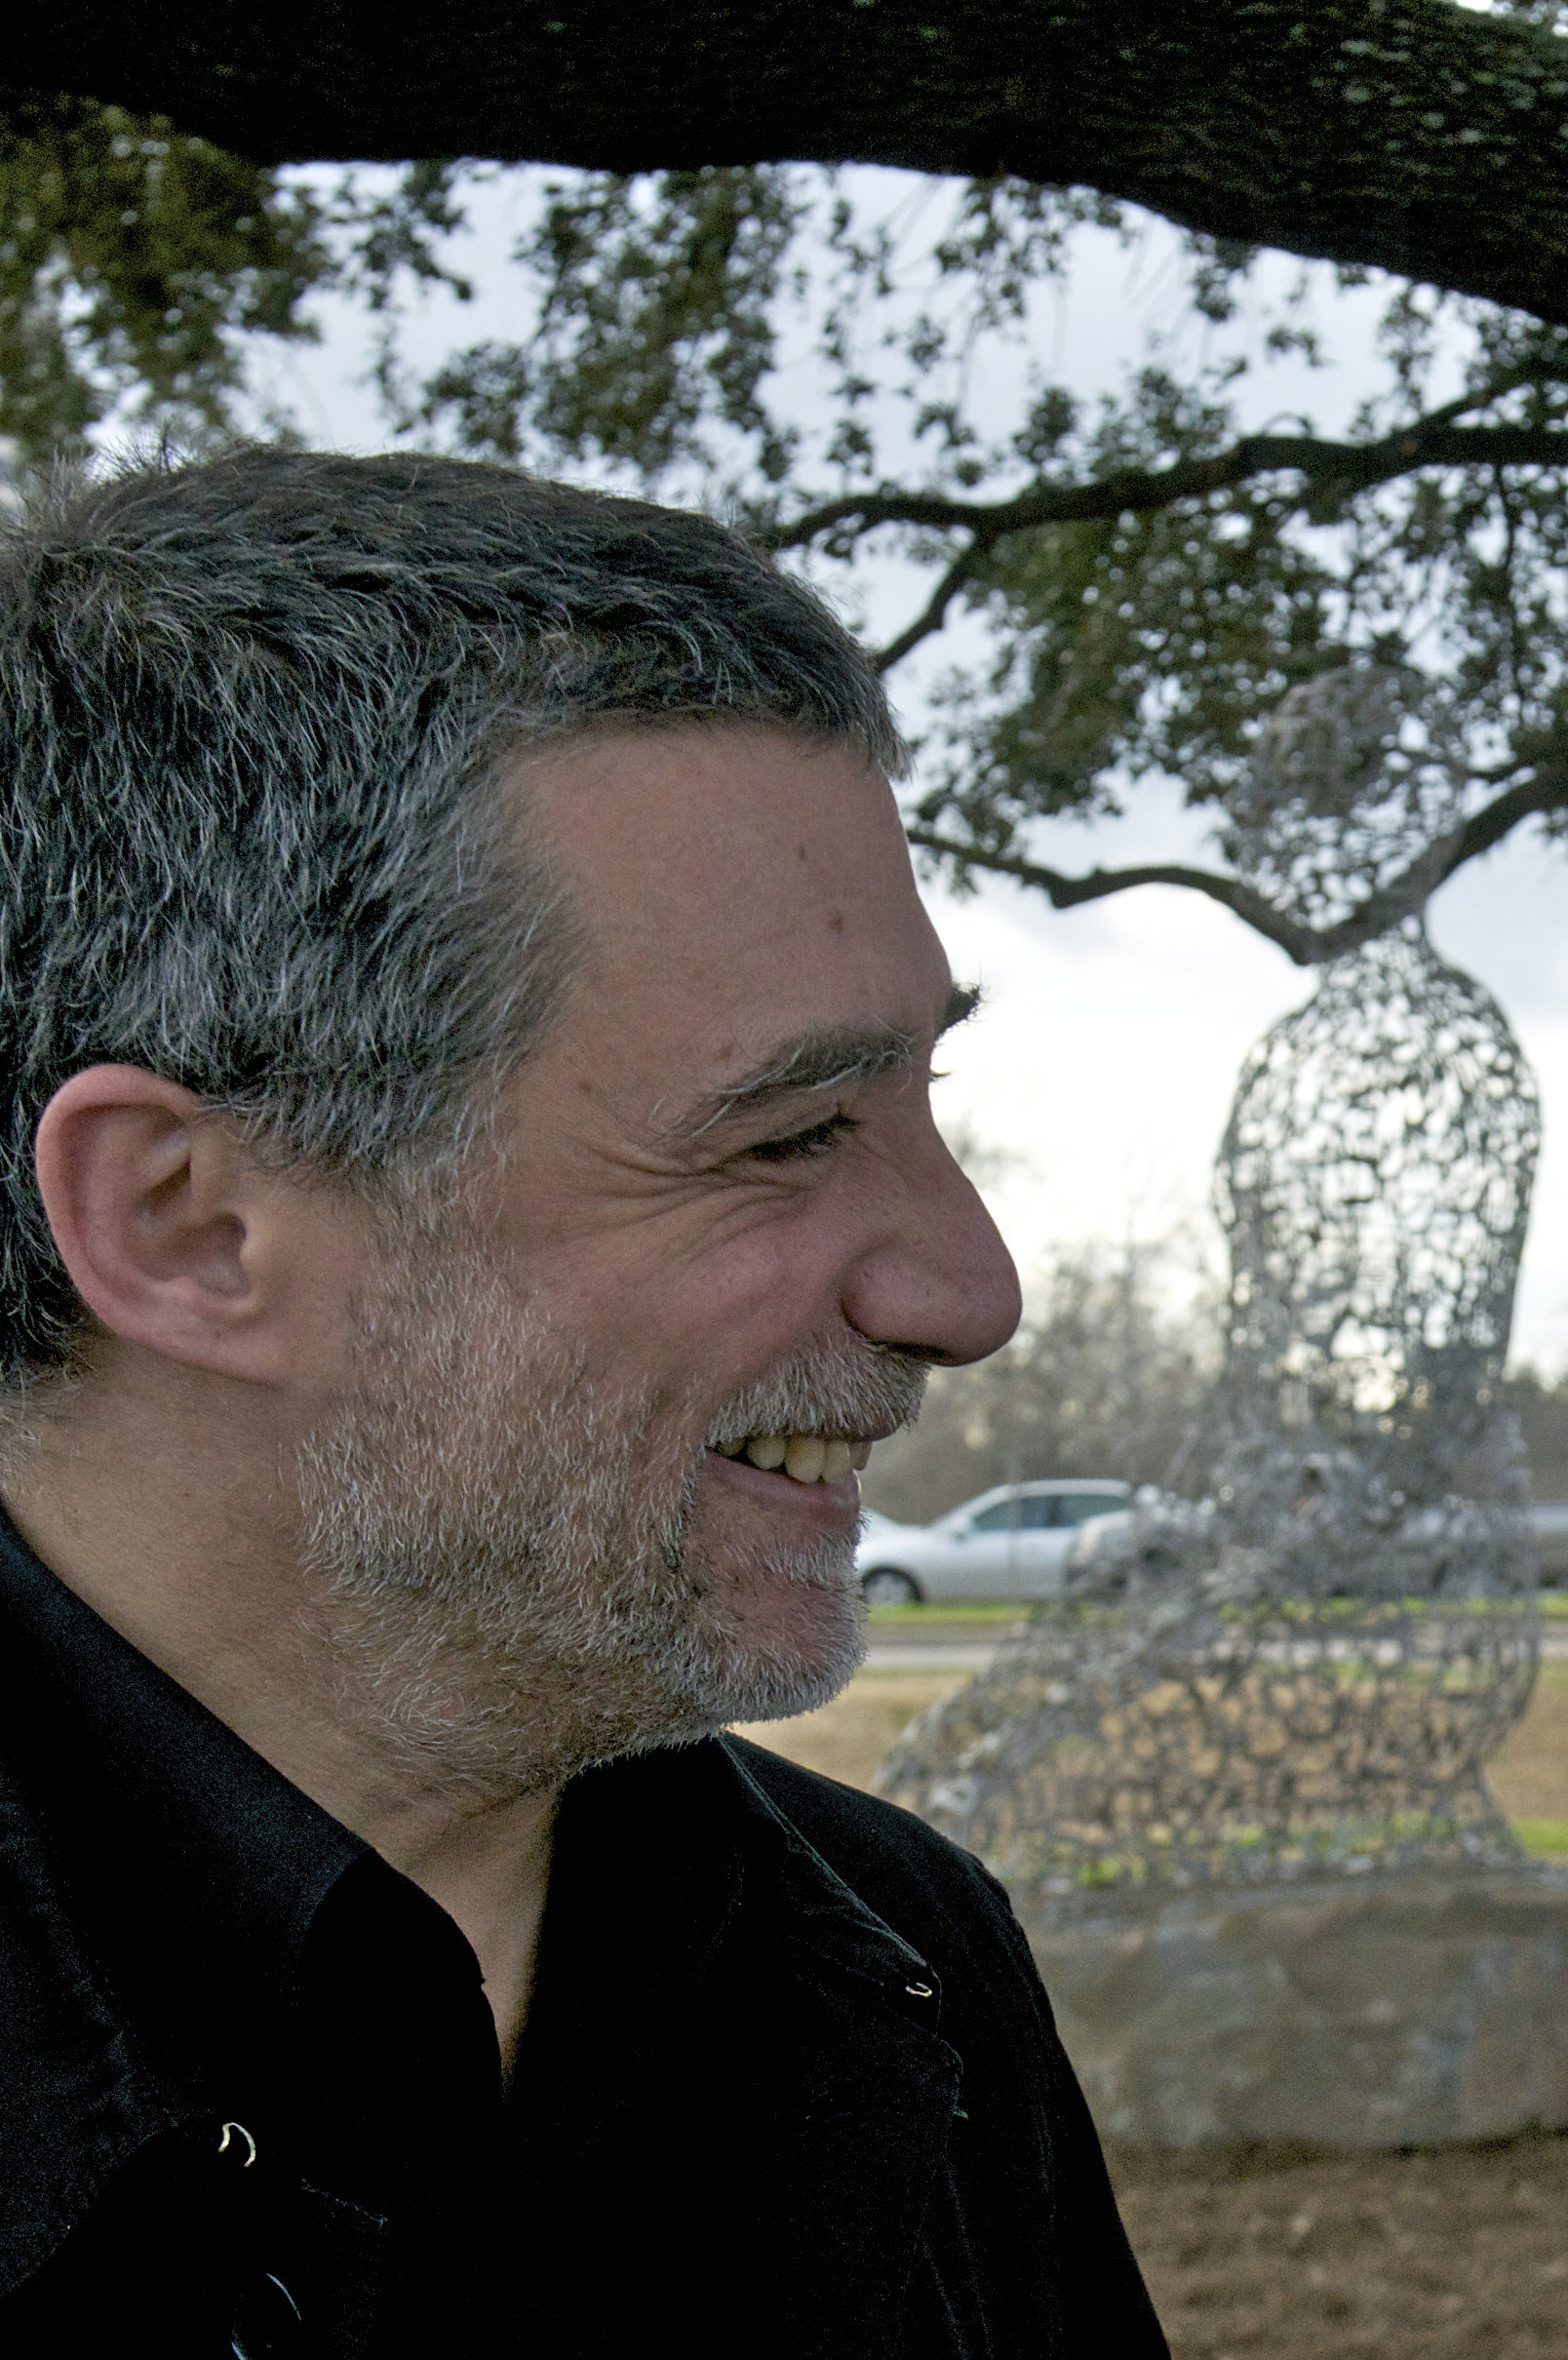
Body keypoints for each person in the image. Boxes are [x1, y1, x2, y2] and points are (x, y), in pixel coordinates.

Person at [0, 449, 1167, 2356]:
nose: (972, 1289)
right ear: (189, 1223)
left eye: (917, 1107)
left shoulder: (904, 1968)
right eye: (790, 1131)